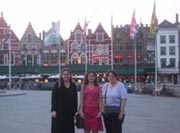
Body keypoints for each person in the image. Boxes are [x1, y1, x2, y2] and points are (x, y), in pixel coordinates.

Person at [51, 68, 78, 133]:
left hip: (70, 112)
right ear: (62, 75)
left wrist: (75, 111)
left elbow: (75, 99)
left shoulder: (73, 85)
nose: (66, 76)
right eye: (64, 74)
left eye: (67, 74)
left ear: (70, 75)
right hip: (59, 111)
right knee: (58, 129)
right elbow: (54, 98)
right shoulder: (57, 84)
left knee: (69, 129)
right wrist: (53, 110)